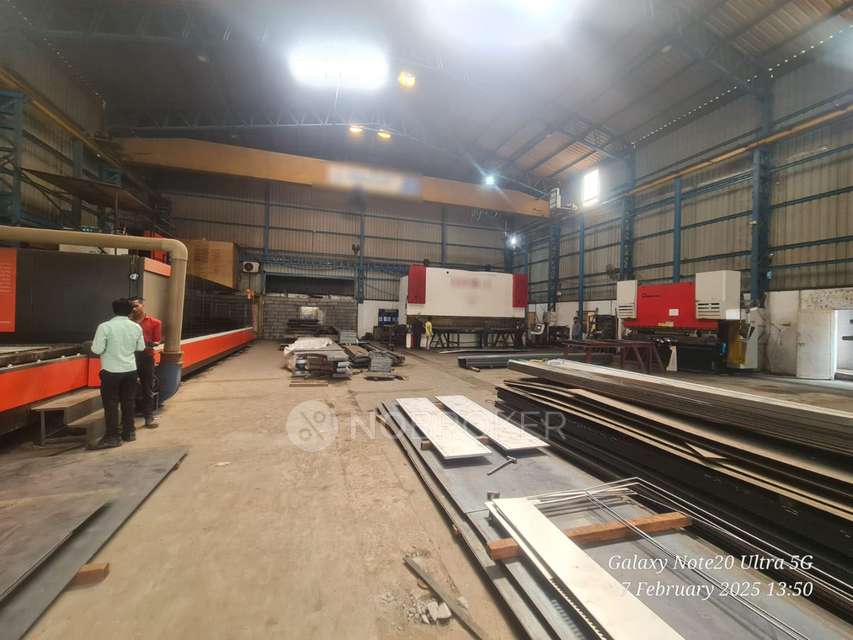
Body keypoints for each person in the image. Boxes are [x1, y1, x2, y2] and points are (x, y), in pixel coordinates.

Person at [90, 298, 145, 448]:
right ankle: (129, 432)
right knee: (128, 401)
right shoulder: (136, 327)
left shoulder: (105, 327)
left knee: (111, 404)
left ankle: (112, 437)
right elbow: (140, 347)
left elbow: (97, 349)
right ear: (130, 311)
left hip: (111, 371)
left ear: (114, 310)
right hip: (130, 370)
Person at [130, 296, 162, 429]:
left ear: (143, 306)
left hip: (146, 358)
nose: (134, 309)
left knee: (147, 388)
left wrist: (148, 344)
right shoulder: (127, 322)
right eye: (132, 306)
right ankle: (128, 421)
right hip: (130, 358)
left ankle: (149, 417)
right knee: (129, 389)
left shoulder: (155, 322)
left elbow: (157, 340)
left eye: (136, 306)